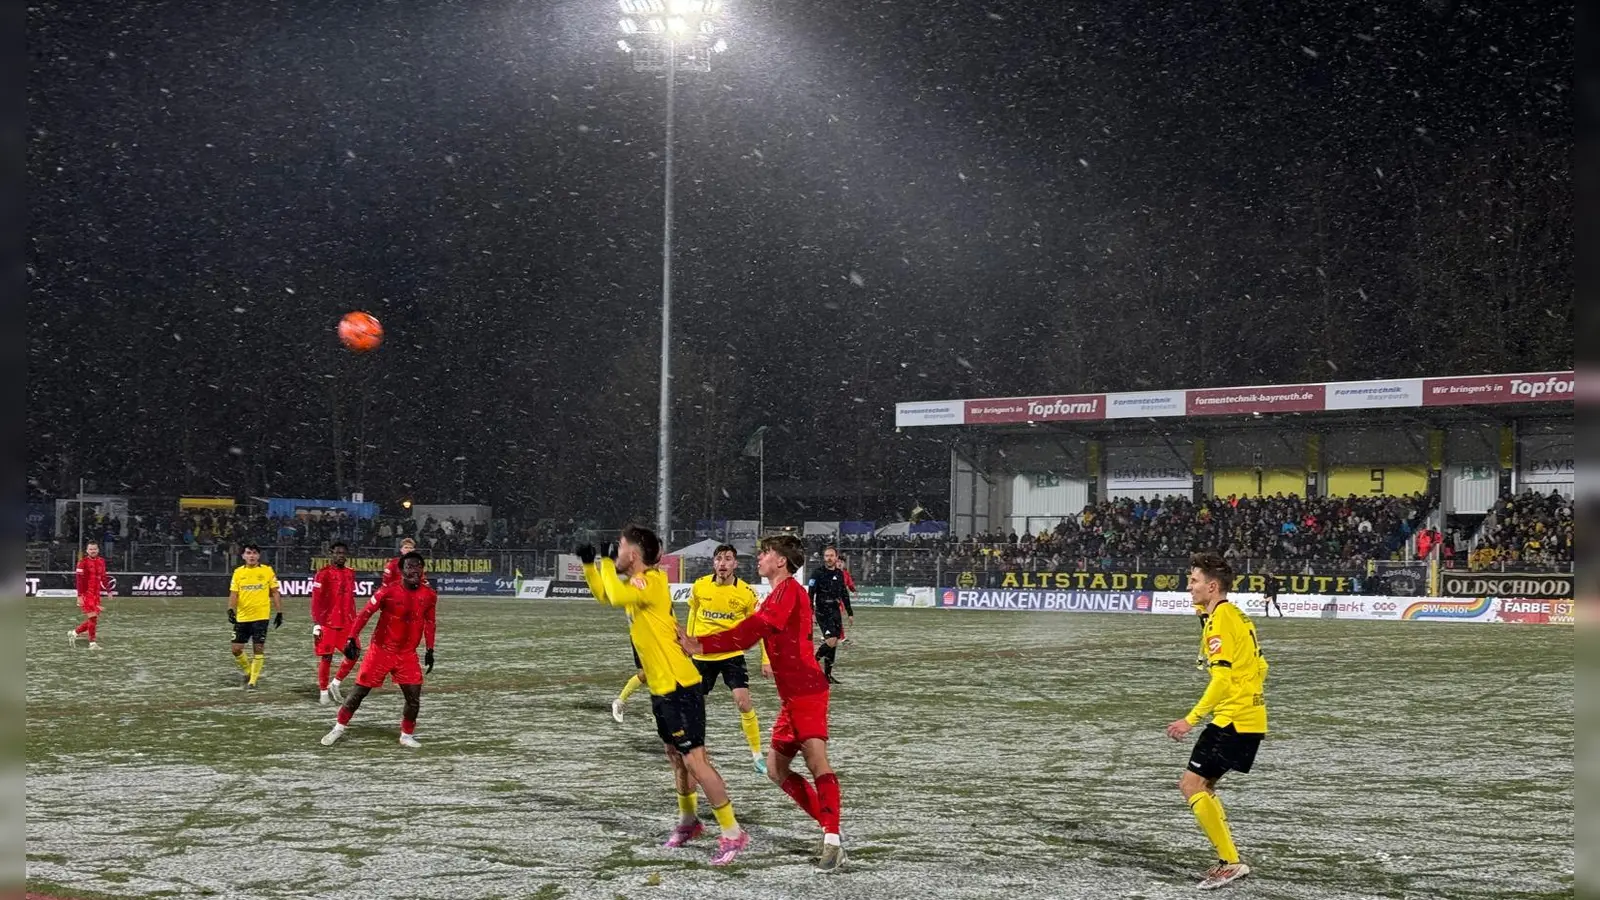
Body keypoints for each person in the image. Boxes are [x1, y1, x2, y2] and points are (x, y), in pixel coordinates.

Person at [579, 527, 748, 866]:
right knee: (676, 757)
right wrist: (588, 565)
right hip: (662, 688)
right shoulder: (637, 584)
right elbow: (605, 594)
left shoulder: (651, 581)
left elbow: (615, 595)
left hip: (680, 686)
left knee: (696, 761)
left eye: (620, 548)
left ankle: (733, 833)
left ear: (633, 555)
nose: (616, 553)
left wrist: (606, 563)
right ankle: (689, 822)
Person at [679, 534, 845, 873]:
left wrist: (700, 644)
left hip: (807, 692)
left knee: (816, 761)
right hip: (793, 696)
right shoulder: (779, 594)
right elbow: (754, 630)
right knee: (776, 770)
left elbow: (750, 631)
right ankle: (831, 831)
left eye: (765, 553)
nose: (759, 558)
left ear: (780, 561)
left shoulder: (789, 592)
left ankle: (832, 841)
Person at [1165, 551, 1269, 890]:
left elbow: (1222, 679)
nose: (1188, 586)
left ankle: (1231, 862)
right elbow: (1261, 667)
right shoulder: (1234, 614)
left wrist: (1190, 719)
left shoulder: (1222, 619)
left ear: (1212, 587)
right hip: (1248, 715)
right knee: (1202, 787)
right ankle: (1228, 860)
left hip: (1232, 720)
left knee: (1191, 785)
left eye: (1194, 581)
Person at [321, 551, 437, 748]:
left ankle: (406, 735)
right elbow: (365, 614)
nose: (415, 570)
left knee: (413, 698)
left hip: (407, 654)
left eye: (418, 566)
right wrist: (351, 637)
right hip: (381, 651)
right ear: (401, 570)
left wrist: (430, 649)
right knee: (359, 692)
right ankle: (338, 728)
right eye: (410, 566)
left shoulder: (429, 595)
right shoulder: (388, 591)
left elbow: (430, 622)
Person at [687, 544, 772, 774]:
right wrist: (688, 643)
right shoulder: (700, 586)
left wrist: (766, 659)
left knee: (743, 703)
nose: (722, 563)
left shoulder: (746, 593)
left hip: (731, 655)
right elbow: (693, 613)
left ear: (735, 564)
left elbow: (759, 628)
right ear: (713, 563)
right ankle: (695, 751)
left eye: (727, 559)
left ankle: (757, 757)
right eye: (718, 559)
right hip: (703, 655)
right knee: (695, 706)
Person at [310, 541, 361, 704]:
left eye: (343, 553)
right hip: (328, 623)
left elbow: (350, 599)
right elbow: (316, 600)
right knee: (327, 658)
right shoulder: (323, 574)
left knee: (354, 653)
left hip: (347, 623)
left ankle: (335, 683)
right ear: (331, 554)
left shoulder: (350, 573)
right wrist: (317, 623)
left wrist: (354, 620)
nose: (341, 556)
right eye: (338, 553)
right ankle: (323, 692)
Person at [228, 544, 284, 690]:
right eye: (248, 553)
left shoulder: (267, 571)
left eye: (254, 553)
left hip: (261, 617)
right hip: (243, 617)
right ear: (243, 556)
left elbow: (275, 592)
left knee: (258, 648)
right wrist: (230, 609)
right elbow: (234, 593)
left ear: (258, 555)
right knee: (236, 649)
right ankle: (248, 671)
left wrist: (279, 612)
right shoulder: (238, 572)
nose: (251, 556)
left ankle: (252, 681)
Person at [807, 545, 855, 683]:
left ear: (836, 557)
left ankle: (827, 675)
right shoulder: (817, 573)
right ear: (824, 557)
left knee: (834, 644)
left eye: (831, 556)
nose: (829, 558)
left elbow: (844, 594)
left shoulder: (840, 574)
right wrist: (811, 612)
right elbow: (810, 594)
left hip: (835, 610)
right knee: (831, 640)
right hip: (822, 610)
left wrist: (850, 612)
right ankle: (811, 662)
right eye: (827, 556)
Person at [67, 541, 110, 650]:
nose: (93, 551)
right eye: (90, 549)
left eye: (94, 549)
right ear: (87, 550)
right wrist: (79, 596)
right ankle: (92, 643)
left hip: (96, 594)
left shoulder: (101, 561)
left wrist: (108, 590)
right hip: (86, 594)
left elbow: (104, 576)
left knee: (93, 620)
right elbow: (79, 580)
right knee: (93, 617)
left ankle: (74, 633)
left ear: (98, 550)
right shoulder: (82, 562)